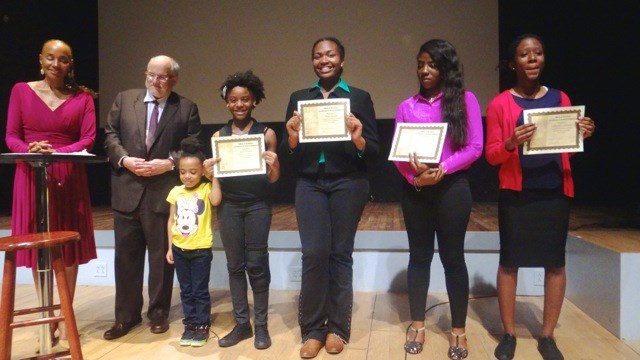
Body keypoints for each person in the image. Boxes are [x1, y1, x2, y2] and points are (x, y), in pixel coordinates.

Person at [485, 34, 595, 360]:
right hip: (515, 193)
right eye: (524, 54)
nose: (532, 58)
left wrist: (582, 134)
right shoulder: (500, 103)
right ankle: (508, 334)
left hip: (555, 190)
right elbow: (491, 156)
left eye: (538, 53)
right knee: (509, 263)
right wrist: (510, 143)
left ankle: (547, 336)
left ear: (543, 59)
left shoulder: (562, 99)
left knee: (555, 263)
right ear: (512, 63)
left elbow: (566, 152)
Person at [279, 36, 380, 359]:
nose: (324, 60)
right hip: (309, 183)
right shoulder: (299, 98)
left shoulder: (359, 98)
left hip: (348, 182)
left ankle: (338, 328)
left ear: (342, 60)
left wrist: (358, 138)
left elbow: (373, 152)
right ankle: (312, 329)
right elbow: (288, 153)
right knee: (313, 253)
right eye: (318, 56)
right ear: (312, 61)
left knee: (340, 253)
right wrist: (292, 139)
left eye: (331, 55)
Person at [393, 39, 483, 359]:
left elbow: (475, 148)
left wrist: (442, 169)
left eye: (432, 64)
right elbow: (399, 155)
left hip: (452, 189)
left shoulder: (465, 100)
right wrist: (415, 177)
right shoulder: (407, 106)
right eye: (420, 64)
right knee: (419, 257)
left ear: (446, 67)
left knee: (452, 258)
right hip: (416, 189)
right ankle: (418, 323)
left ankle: (458, 329)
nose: (425, 70)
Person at [5, 39, 97, 347]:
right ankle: (46, 317)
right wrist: (31, 150)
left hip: (68, 175)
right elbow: (11, 136)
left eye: (63, 59)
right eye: (50, 58)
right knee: (38, 246)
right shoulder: (21, 90)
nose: (56, 64)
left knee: (67, 248)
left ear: (71, 64)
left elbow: (88, 138)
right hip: (31, 174)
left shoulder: (83, 98)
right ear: (40, 60)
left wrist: (55, 152)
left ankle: (63, 317)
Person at [103, 55, 202, 340]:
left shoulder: (185, 108)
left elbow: (194, 147)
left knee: (161, 259)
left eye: (162, 77)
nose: (155, 82)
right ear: (145, 74)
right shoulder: (124, 99)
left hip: (162, 193)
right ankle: (126, 317)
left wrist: (169, 163)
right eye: (151, 75)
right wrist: (124, 160)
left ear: (174, 79)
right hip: (127, 190)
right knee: (126, 259)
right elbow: (110, 135)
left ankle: (158, 314)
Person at [205, 70, 280, 350]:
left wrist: (274, 164)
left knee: (257, 264)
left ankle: (261, 327)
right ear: (227, 102)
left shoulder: (266, 133)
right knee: (234, 266)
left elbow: (273, 178)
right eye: (234, 100)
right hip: (230, 207)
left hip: (258, 204)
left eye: (245, 99)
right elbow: (216, 190)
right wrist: (207, 173)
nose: (239, 105)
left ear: (254, 101)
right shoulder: (218, 135)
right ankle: (242, 325)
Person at [166, 138, 221, 347]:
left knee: (199, 290)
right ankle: (189, 324)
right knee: (185, 290)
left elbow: (216, 200)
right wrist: (170, 247)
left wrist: (213, 176)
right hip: (179, 249)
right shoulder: (175, 192)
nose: (187, 176)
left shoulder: (206, 189)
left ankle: (202, 325)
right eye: (182, 172)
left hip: (200, 250)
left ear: (201, 171)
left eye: (193, 172)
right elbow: (171, 220)